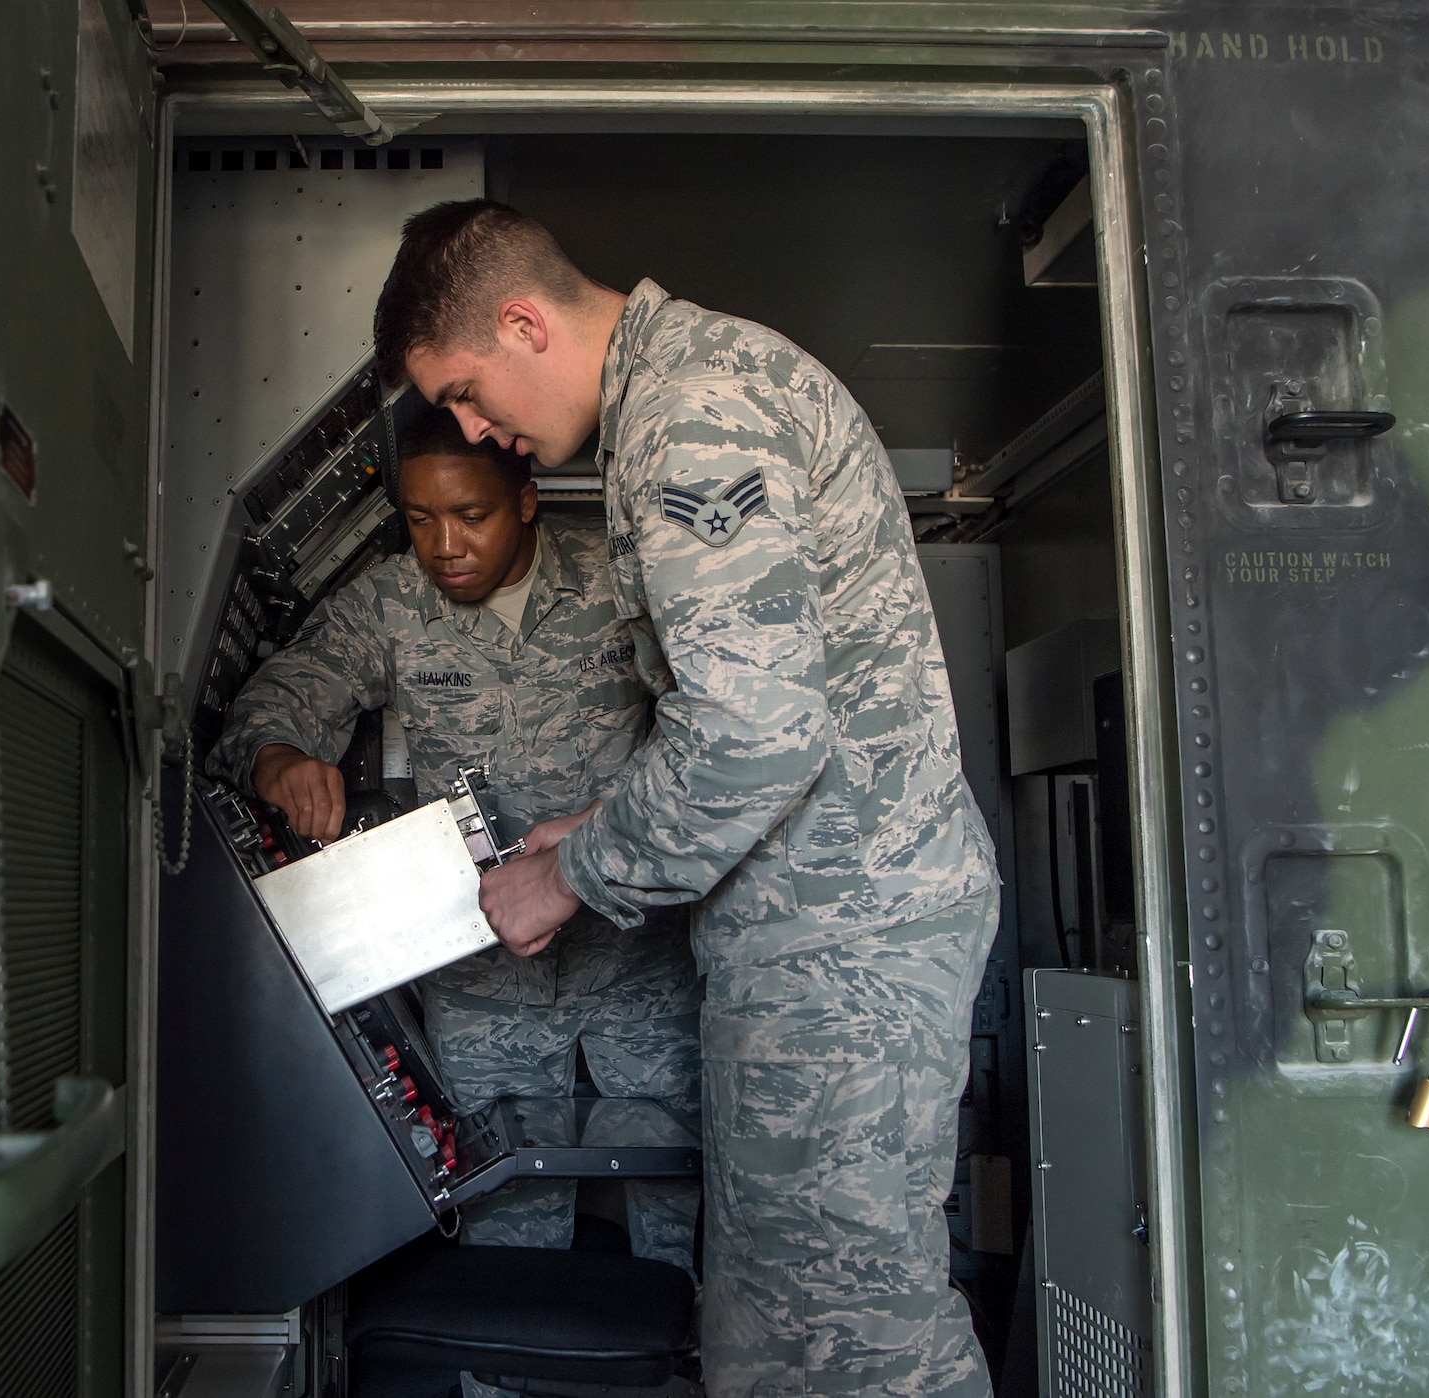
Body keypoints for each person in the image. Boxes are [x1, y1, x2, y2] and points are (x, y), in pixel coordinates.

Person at [373, 200, 1001, 1397]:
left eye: (464, 388)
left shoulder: (690, 412)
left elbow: (752, 736)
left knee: (856, 1333)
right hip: (809, 932)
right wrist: (588, 829)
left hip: (841, 943)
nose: (469, 427)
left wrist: (563, 875)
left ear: (521, 323)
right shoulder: (686, 390)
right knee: (773, 1327)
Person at [208, 410, 703, 1395]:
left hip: (639, 973)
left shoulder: (620, 580)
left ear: (525, 497)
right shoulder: (393, 605)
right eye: (419, 519)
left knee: (671, 1238)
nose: (444, 546)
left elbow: (714, 737)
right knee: (502, 1262)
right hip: (485, 993)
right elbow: (264, 707)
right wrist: (281, 760)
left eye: (469, 515)